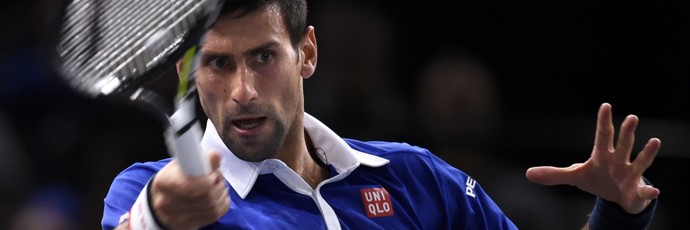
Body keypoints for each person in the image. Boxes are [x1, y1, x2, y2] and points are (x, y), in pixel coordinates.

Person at [102, 0, 661, 229]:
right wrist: (156, 217)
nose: (242, 89)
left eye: (263, 57)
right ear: (189, 75)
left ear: (308, 54)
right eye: (219, 64)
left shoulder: (416, 178)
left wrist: (615, 214)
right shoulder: (146, 191)